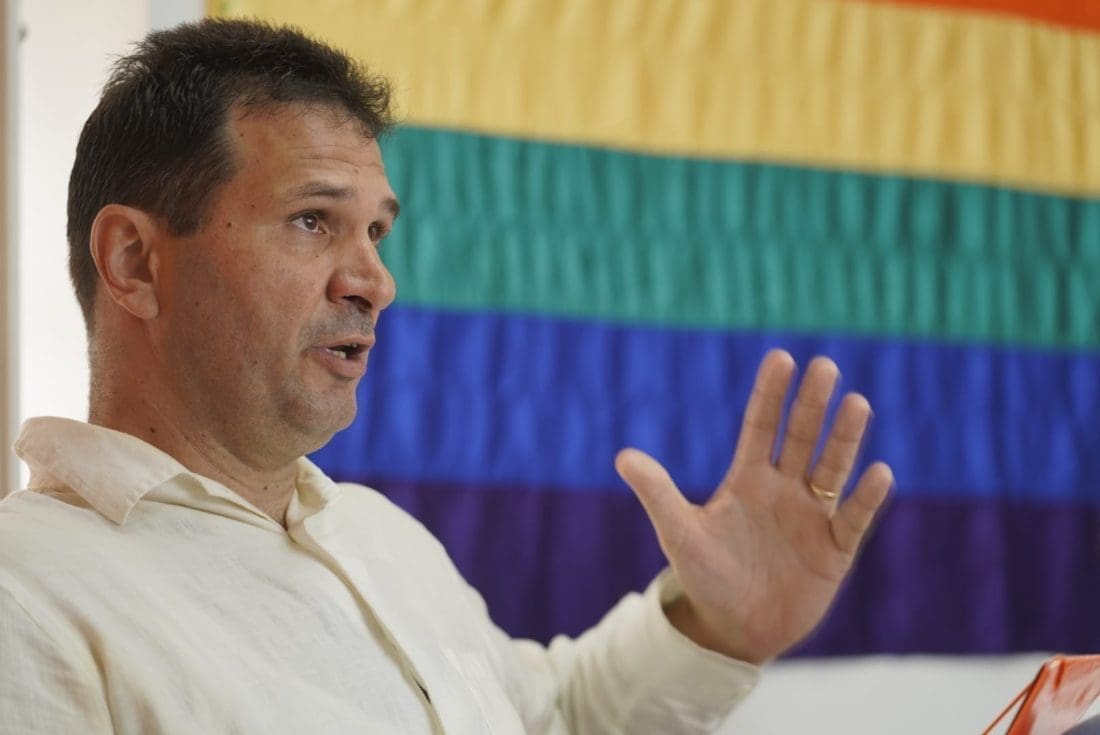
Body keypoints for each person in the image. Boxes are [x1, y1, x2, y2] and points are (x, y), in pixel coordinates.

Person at [0, 18, 893, 734]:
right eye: (313, 220)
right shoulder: (26, 600)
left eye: (375, 231)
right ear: (135, 262)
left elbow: (554, 715)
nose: (375, 281)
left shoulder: (380, 537)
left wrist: (717, 625)